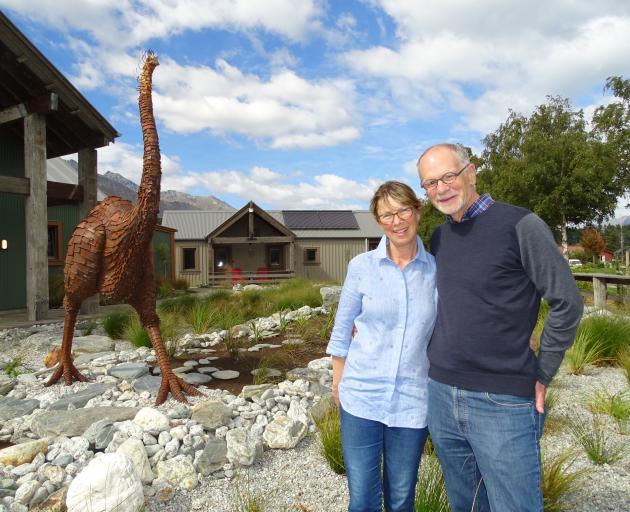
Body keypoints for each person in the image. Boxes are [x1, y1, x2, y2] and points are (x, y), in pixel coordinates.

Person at [416, 143, 583, 512]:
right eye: (430, 183)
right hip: (442, 395)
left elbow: (567, 302)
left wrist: (543, 372)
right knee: (468, 505)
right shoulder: (440, 237)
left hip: (502, 401)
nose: (441, 188)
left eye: (448, 176)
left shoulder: (521, 225)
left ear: (471, 172)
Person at [326, 180, 437, 512]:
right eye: (387, 214)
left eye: (404, 210)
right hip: (361, 396)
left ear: (417, 211)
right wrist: (338, 380)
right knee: (362, 500)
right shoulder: (361, 267)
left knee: (402, 499)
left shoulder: (435, 270)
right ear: (378, 220)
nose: (397, 220)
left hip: (412, 401)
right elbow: (343, 328)